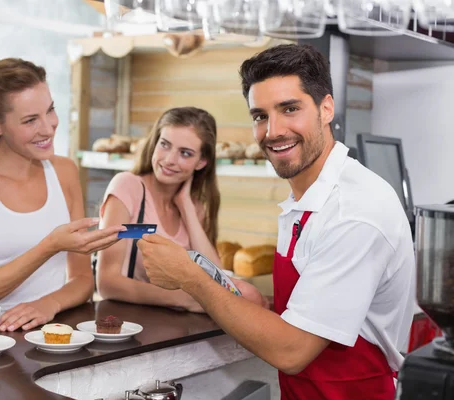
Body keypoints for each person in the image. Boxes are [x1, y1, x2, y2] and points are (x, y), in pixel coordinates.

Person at [137, 44, 416, 399]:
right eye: (260, 116)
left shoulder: (354, 211)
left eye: (289, 109)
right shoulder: (308, 198)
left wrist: (191, 278)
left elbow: (292, 351)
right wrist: (253, 300)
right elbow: (309, 311)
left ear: (325, 108)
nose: (272, 131)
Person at [0, 58, 124, 332]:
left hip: (44, 331)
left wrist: (48, 304)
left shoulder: (64, 171)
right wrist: (49, 246)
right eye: (30, 120)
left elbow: (82, 279)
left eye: (50, 110)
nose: (48, 128)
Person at [97, 107, 266, 312]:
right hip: (128, 326)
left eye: (185, 153)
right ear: (155, 142)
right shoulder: (128, 187)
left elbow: (219, 279)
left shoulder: (195, 206)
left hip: (176, 329)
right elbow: (107, 283)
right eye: (164, 145)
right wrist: (182, 299)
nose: (169, 159)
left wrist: (186, 206)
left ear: (201, 162)